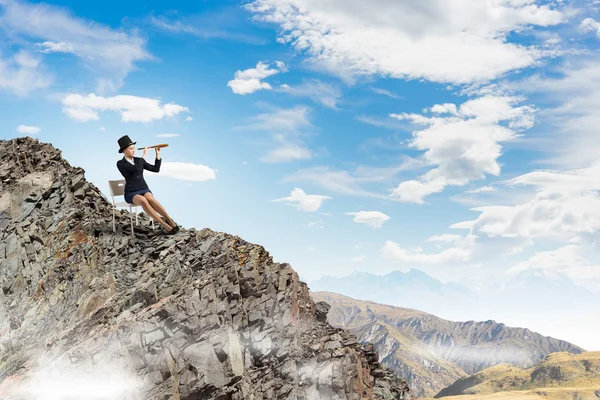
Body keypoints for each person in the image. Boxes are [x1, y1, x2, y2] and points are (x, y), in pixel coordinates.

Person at [116, 135, 179, 235]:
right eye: (131, 149)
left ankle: (170, 221)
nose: (134, 151)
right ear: (124, 151)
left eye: (134, 148)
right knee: (143, 201)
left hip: (143, 188)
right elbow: (134, 170)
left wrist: (157, 155)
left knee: (151, 199)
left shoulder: (138, 160)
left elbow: (155, 169)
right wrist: (144, 156)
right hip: (131, 192)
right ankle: (165, 226)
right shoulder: (120, 163)